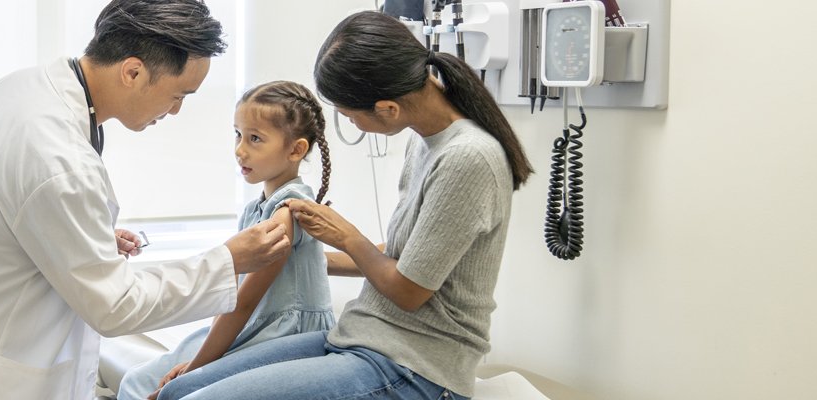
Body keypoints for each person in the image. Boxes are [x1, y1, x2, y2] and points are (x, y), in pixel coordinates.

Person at [0, 1, 293, 399]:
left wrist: (85, 237)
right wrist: (228, 261)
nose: (176, 111)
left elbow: (9, 214)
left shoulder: (27, 89)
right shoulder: (58, 157)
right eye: (179, 94)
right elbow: (116, 305)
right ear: (133, 72)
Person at [156, 10, 534, 400]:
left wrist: (345, 235)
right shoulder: (424, 144)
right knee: (179, 390)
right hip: (359, 337)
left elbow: (409, 290)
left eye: (348, 115)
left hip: (416, 367)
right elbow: (408, 257)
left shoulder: (467, 157)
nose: (345, 122)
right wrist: (307, 259)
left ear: (388, 108)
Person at [118, 81, 336, 400]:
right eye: (238, 134)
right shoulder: (254, 210)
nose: (240, 149)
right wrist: (200, 356)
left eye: (255, 139)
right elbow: (231, 293)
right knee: (135, 382)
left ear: (296, 150)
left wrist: (196, 366)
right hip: (253, 327)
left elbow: (245, 303)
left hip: (284, 337)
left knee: (173, 390)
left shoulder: (287, 214)